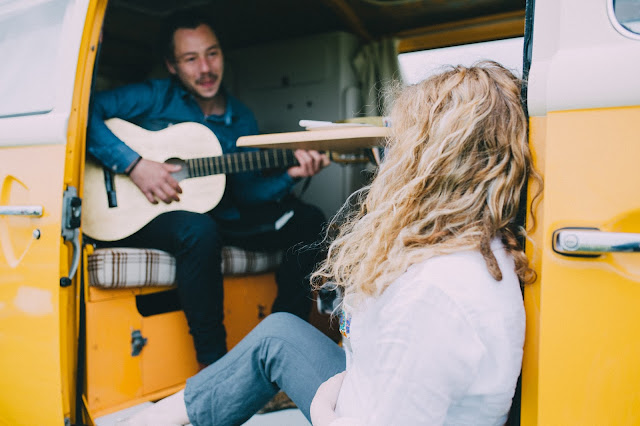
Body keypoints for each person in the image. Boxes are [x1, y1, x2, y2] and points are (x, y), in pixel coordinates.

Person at [120, 61, 542, 425]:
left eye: (398, 145)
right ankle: (156, 418)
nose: (388, 160)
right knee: (280, 333)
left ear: (426, 164)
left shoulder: (433, 297)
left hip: (346, 411)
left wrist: (324, 404)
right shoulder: (477, 249)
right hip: (364, 390)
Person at [86, 12, 330, 367]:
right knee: (198, 229)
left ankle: (283, 346)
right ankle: (214, 367)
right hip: (146, 214)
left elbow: (248, 195)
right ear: (172, 65)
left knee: (309, 220)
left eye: (212, 54)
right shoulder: (153, 96)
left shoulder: (241, 117)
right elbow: (83, 111)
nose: (205, 68)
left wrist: (292, 173)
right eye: (190, 58)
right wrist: (134, 165)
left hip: (222, 213)